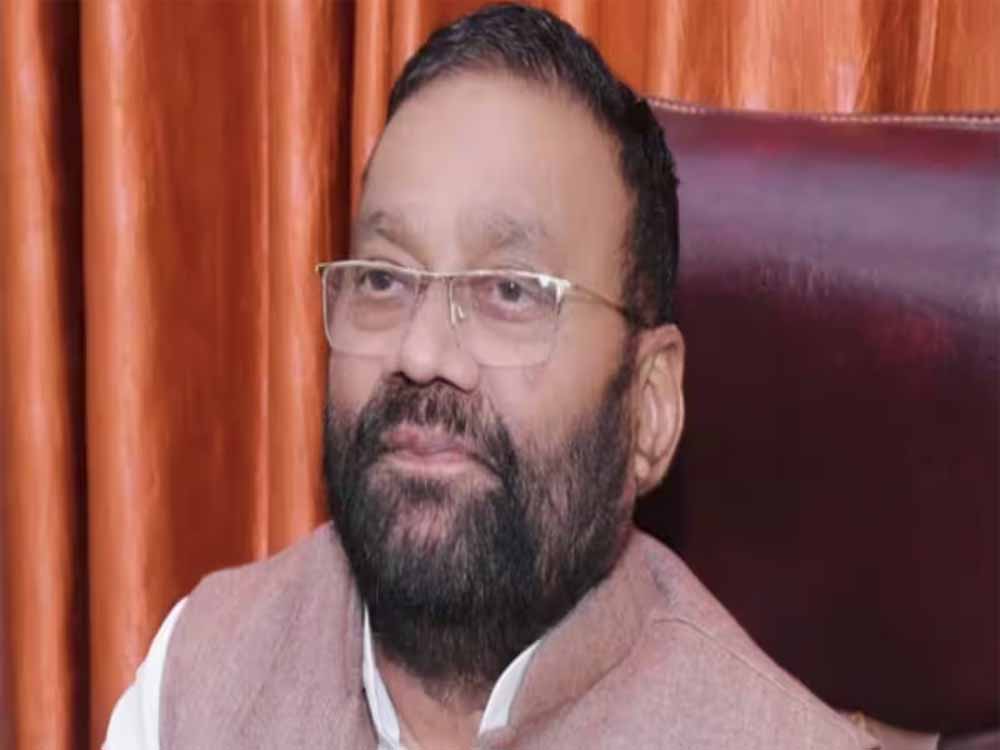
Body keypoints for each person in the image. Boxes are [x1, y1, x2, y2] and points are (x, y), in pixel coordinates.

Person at [104, 4, 881, 749]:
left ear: (649, 408)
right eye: (383, 278)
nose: (421, 354)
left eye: (510, 291)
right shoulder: (195, 682)